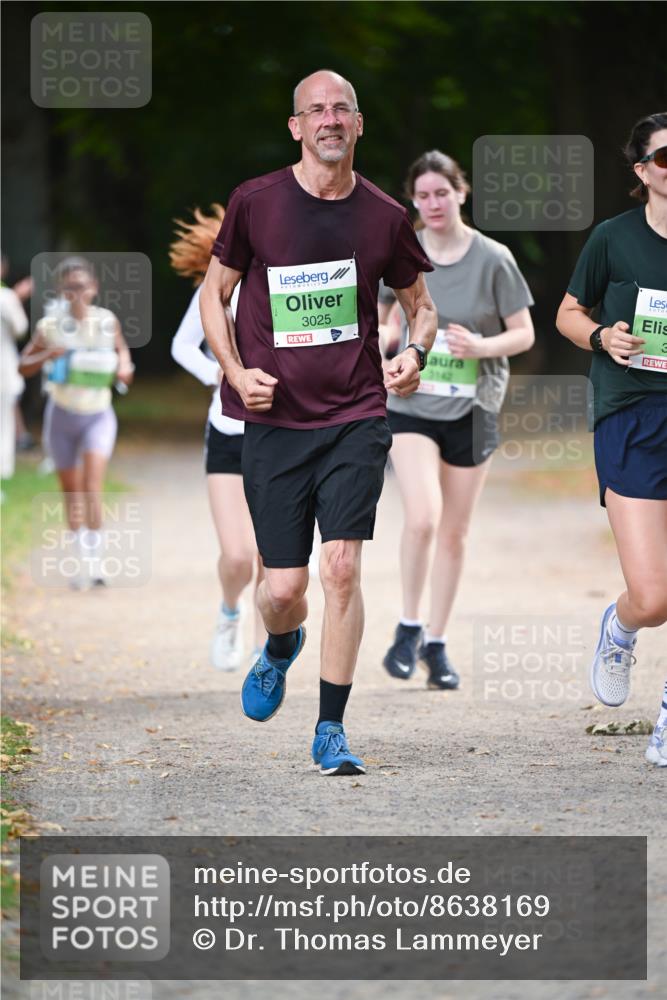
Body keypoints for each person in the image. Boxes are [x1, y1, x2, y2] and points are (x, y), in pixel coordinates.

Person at [200, 69, 437, 776]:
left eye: (342, 109)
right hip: (275, 421)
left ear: (358, 125)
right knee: (282, 589)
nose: (329, 119)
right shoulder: (256, 203)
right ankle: (278, 647)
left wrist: (416, 351)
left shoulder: (384, 216)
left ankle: (330, 727)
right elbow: (215, 297)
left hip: (354, 413)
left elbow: (420, 303)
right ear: (296, 127)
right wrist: (237, 372)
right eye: (316, 110)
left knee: (340, 568)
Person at [379, 151, 534, 688]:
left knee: (454, 531)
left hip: (473, 407)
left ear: (460, 194)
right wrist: (387, 345)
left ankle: (437, 645)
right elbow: (382, 320)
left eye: (441, 193)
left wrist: (480, 345)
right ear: (413, 202)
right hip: (411, 404)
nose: (432, 204)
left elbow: (525, 332)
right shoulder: (404, 250)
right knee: (422, 516)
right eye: (421, 196)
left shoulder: (493, 257)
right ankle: (407, 624)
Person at [556, 112, 667, 768]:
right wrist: (601, 337)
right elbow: (569, 314)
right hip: (631, 415)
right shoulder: (611, 239)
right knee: (654, 596)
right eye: (665, 158)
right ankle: (621, 628)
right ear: (642, 171)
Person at [170, 204, 265, 670]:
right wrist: (221, 375)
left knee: (275, 556)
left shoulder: (282, 285)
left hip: (281, 432)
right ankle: (230, 611)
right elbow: (181, 345)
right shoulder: (216, 290)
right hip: (228, 430)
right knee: (238, 556)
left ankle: (268, 651)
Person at [19, 257, 134, 587]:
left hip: (98, 413)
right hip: (62, 414)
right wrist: (46, 356)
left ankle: (97, 564)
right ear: (61, 291)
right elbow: (23, 365)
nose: (77, 293)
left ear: (94, 288)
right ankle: (79, 562)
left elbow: (122, 352)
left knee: (92, 485)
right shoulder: (50, 326)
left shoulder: (106, 321)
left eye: (82, 286)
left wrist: (124, 368)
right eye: (69, 287)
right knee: (71, 491)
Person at [0, 258, 30, 483]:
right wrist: (17, 298)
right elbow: (20, 328)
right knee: (4, 424)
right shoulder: (7, 297)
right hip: (4, 369)